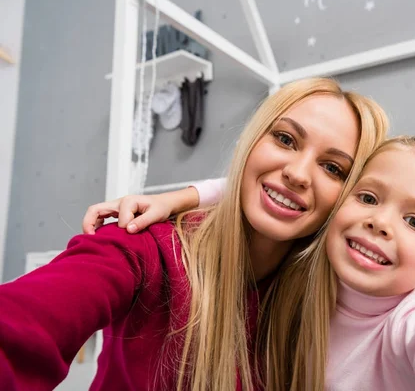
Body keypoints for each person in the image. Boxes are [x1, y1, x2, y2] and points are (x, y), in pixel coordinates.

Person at [94, 135, 415, 390]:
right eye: (368, 198)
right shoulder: (311, 257)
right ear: (337, 206)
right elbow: (262, 188)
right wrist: (180, 197)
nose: (381, 223)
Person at [0, 77, 389, 391]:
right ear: (250, 144)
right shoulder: (142, 246)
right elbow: (19, 330)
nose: (298, 174)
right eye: (285, 139)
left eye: (333, 168)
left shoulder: (332, 301)